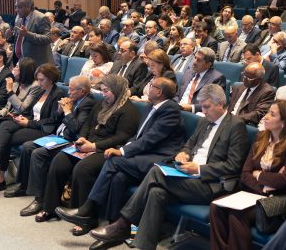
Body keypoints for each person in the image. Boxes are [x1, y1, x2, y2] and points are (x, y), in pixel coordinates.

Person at [87, 84, 249, 250]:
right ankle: (144, 246)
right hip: (188, 176)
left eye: (207, 107)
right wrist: (184, 154)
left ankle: (123, 224)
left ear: (220, 104)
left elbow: (233, 166)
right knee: (156, 193)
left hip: (211, 184)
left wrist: (199, 169)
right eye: (202, 107)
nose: (204, 111)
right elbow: (189, 145)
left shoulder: (236, 126)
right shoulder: (204, 121)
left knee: (156, 172)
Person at [55, 77, 185, 233]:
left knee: (114, 160)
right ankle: (113, 226)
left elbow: (151, 139)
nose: (148, 87)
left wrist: (122, 151)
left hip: (160, 158)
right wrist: (125, 147)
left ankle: (87, 209)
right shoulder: (151, 106)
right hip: (145, 153)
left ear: (159, 92)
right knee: (118, 177)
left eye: (151, 85)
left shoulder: (170, 110)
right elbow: (138, 137)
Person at [35, 74, 140, 223]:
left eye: (106, 91)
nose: (103, 94)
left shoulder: (129, 111)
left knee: (83, 168)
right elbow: (87, 124)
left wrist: (93, 146)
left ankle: (84, 216)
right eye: (102, 90)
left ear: (117, 90)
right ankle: (50, 207)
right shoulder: (102, 103)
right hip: (88, 143)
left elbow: (122, 137)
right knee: (60, 160)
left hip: (107, 149)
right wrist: (82, 138)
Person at [211, 100, 286, 250]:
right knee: (216, 206)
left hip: (279, 199)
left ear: (284, 122)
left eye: (272, 114)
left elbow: (283, 180)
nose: (266, 117)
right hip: (255, 194)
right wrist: (263, 186)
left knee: (237, 214)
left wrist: (259, 175)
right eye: (268, 112)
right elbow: (245, 174)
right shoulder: (261, 137)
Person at [0, 64, 67, 194]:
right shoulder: (42, 90)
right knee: (5, 126)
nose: (39, 82)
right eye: (38, 79)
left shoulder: (57, 94)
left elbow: (52, 121)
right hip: (31, 123)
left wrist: (29, 123)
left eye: (42, 79)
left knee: (5, 138)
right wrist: (22, 118)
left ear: (51, 79)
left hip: (43, 130)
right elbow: (31, 111)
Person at [6, 75, 96, 203]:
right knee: (27, 146)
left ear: (82, 91)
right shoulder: (75, 100)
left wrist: (67, 111)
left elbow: (76, 128)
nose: (68, 92)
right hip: (57, 136)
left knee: (38, 153)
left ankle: (39, 198)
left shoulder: (88, 103)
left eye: (71, 89)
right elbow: (54, 119)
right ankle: (23, 186)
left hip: (69, 141)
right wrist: (59, 110)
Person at [176, 47, 227, 113]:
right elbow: (177, 94)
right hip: (177, 109)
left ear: (208, 64)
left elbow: (213, 103)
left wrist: (192, 107)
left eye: (199, 60)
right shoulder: (188, 72)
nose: (194, 62)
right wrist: (175, 104)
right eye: (195, 58)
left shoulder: (217, 78)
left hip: (195, 113)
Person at [9, 0, 53, 66]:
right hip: (21, 61)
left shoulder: (41, 18)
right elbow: (18, 39)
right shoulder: (18, 18)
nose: (16, 10)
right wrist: (10, 35)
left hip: (37, 63)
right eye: (16, 7)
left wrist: (27, 34)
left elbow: (47, 39)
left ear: (29, 7)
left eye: (19, 7)